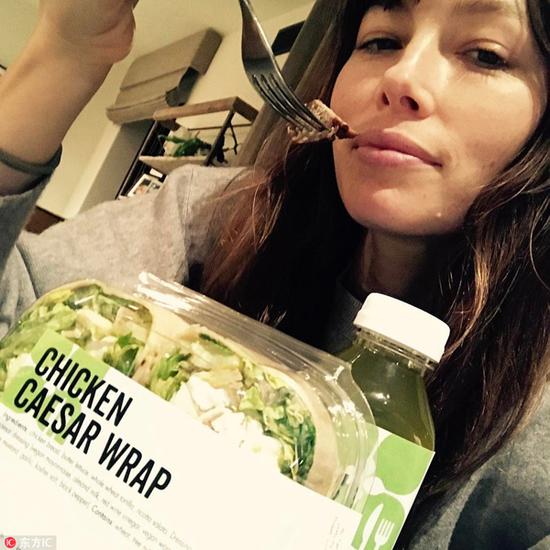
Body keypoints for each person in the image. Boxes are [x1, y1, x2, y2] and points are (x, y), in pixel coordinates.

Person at [0, 0, 548, 547]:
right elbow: (14, 319)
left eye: (485, 54)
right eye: (381, 41)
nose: (402, 77)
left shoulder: (534, 430)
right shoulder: (218, 218)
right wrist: (67, 51)